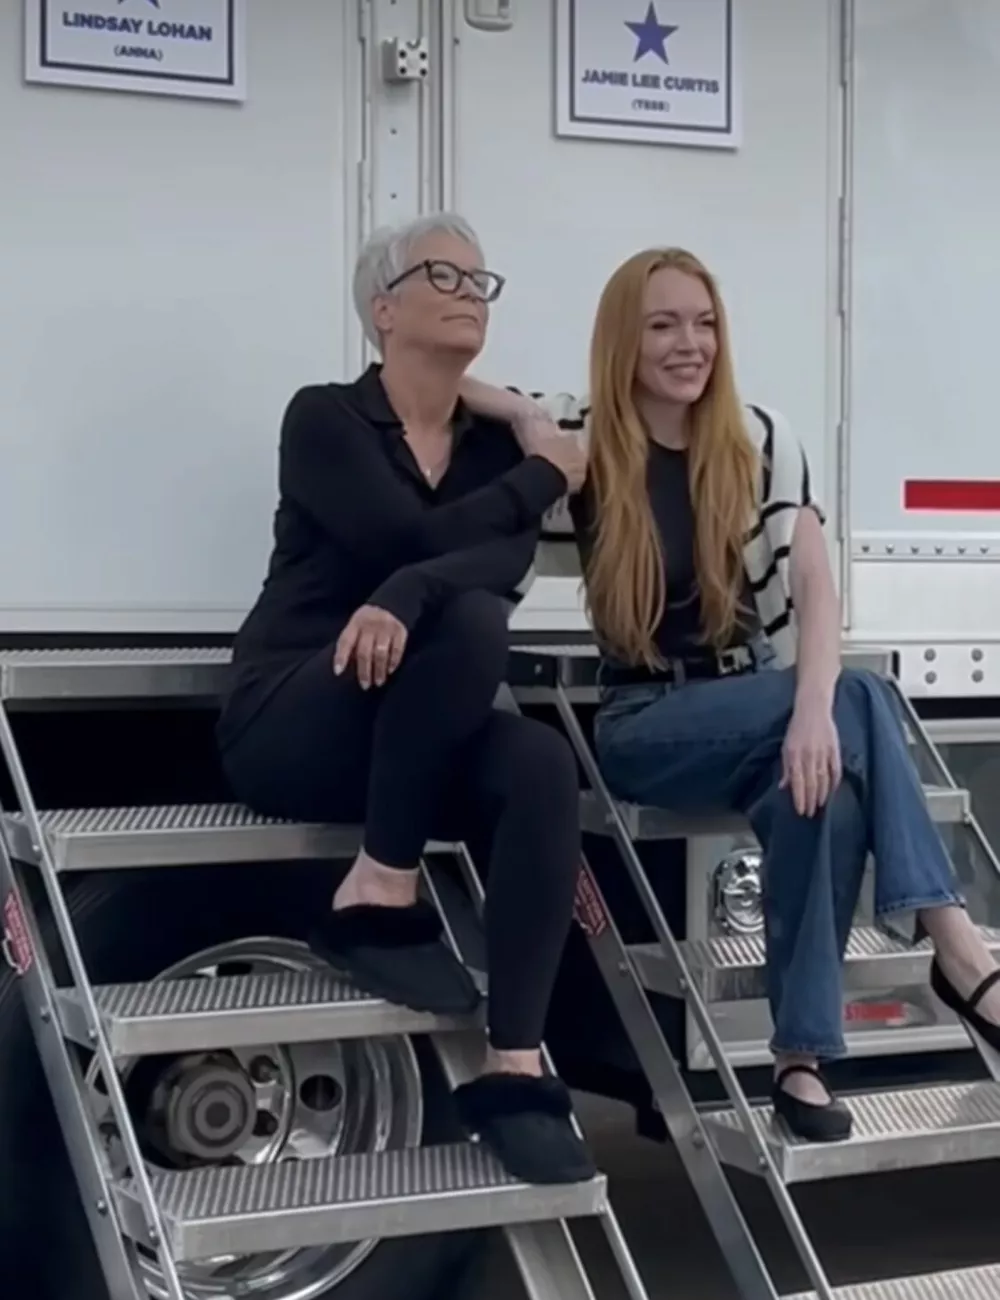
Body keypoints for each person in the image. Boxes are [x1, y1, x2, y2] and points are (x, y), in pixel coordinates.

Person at [458, 246, 1000, 1143]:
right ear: (624, 339)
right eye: (663, 325)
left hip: (756, 705)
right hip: (645, 721)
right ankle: (957, 948)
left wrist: (810, 712)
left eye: (705, 323)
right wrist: (522, 411)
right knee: (860, 702)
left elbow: (816, 588)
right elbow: (455, 387)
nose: (691, 343)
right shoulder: (582, 434)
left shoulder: (759, 439)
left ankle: (799, 1061)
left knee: (822, 792)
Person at [216, 213, 597, 1185]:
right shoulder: (324, 419)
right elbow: (403, 539)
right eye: (444, 276)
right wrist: (541, 469)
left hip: (416, 731)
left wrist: (409, 591)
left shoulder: (491, 454)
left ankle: (515, 1064)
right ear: (382, 310)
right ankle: (380, 884)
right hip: (295, 714)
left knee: (541, 760)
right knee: (464, 619)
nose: (471, 293)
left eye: (481, 280)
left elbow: (489, 568)